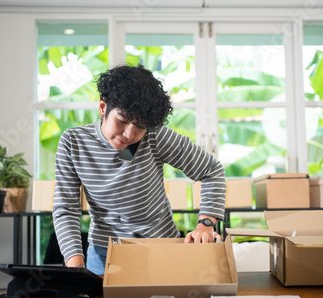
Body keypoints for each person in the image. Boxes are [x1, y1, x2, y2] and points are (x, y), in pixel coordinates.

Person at [52, 64, 226, 275]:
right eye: (122, 121)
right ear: (102, 107)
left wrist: (206, 224)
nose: (129, 134)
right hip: (104, 252)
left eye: (140, 127)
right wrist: (75, 265)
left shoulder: (155, 135)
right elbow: (66, 209)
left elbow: (211, 170)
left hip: (161, 248)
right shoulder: (73, 142)